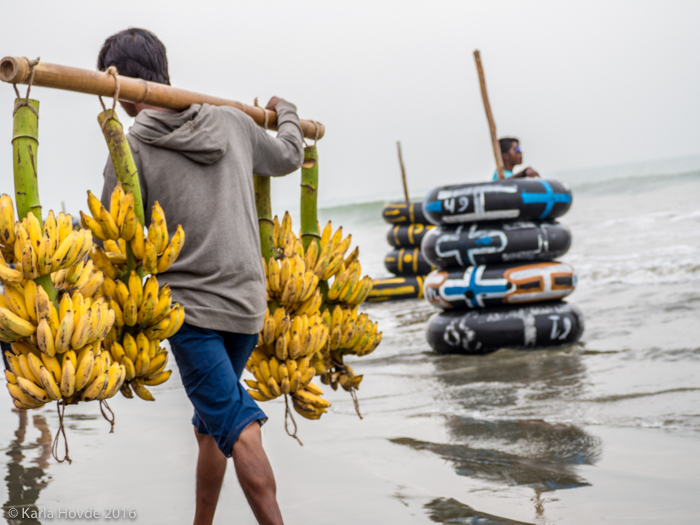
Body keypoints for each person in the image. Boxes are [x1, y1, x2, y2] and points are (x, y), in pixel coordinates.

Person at [97, 28, 304, 525]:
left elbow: (114, 240)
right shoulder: (233, 122)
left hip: (192, 315)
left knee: (235, 423)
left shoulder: (131, 151)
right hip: (248, 306)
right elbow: (290, 155)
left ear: (120, 86)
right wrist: (288, 111)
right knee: (210, 425)